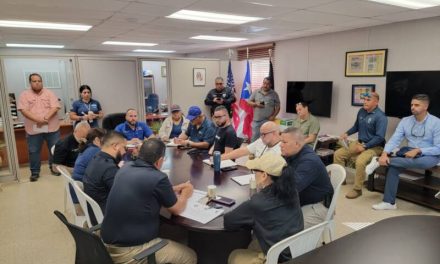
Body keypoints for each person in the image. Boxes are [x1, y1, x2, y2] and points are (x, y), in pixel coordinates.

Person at [101, 139, 197, 264]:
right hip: (129, 252)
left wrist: (172, 188)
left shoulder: (125, 167)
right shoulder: (158, 177)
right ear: (160, 161)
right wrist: (185, 193)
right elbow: (177, 209)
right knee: (190, 256)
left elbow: (142, 187)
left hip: (106, 242)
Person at [225, 153, 303, 264]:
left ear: (264, 175)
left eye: (255, 171)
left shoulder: (258, 202)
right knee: (254, 242)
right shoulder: (292, 191)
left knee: (235, 255)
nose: (254, 174)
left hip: (278, 259)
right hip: (295, 250)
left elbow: (228, 222)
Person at [368, 94, 440, 210]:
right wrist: (384, 154)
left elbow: (438, 147)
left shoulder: (436, 123)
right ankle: (389, 203)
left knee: (422, 163)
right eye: (412, 104)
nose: (412, 107)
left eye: (417, 105)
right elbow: (395, 139)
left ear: (426, 106)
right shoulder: (405, 121)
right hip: (408, 151)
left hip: (429, 154)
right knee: (393, 168)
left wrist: (419, 150)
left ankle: (377, 161)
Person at [333, 92, 387, 199]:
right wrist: (346, 133)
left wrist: (365, 147)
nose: (365, 102)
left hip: (375, 146)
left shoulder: (381, 117)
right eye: (364, 99)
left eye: (368, 100)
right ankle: (340, 180)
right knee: (338, 154)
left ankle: (357, 189)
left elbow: (380, 137)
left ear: (376, 102)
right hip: (360, 142)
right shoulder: (361, 111)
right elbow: (356, 126)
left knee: (360, 161)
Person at [280, 127, 333, 228]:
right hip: (302, 200)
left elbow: (290, 189)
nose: (280, 145)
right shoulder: (292, 153)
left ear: (297, 144)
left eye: (284, 142)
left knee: (284, 228)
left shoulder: (309, 162)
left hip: (318, 206)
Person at [17, 73, 61, 181]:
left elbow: (55, 107)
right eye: (34, 81)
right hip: (33, 130)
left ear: (42, 82)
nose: (37, 83)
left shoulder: (49, 93)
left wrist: (44, 119)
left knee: (54, 149)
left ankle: (54, 168)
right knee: (33, 151)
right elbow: (24, 111)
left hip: (52, 128)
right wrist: (38, 120)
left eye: (39, 81)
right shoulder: (24, 95)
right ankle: (35, 172)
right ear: (30, 83)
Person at [83, 131, 126, 211]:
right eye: (124, 147)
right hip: (105, 214)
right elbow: (123, 195)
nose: (124, 152)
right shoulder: (109, 168)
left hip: (94, 210)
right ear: (115, 146)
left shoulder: (96, 157)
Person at [248, 77, 280, 142]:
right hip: (257, 121)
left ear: (270, 85)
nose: (265, 85)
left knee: (267, 140)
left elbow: (278, 106)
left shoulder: (274, 94)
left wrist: (273, 116)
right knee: (254, 139)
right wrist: (256, 104)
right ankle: (254, 152)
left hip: (268, 121)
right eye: (264, 83)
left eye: (267, 84)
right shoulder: (256, 92)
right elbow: (249, 102)